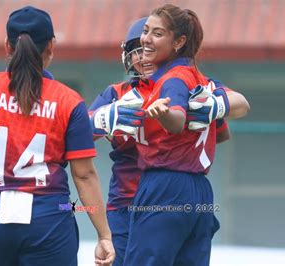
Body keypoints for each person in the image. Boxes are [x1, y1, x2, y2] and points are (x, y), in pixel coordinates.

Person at [0, 6, 114, 266]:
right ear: (51, 46)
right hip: (50, 212)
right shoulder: (68, 101)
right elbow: (84, 175)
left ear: (7, 46)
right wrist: (104, 234)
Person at [89, 17, 241, 266]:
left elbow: (223, 130)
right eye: (138, 52)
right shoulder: (117, 94)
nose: (144, 57)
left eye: (149, 50)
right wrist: (103, 118)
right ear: (128, 55)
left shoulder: (180, 86)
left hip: (166, 194)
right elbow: (77, 134)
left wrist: (207, 112)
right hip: (126, 202)